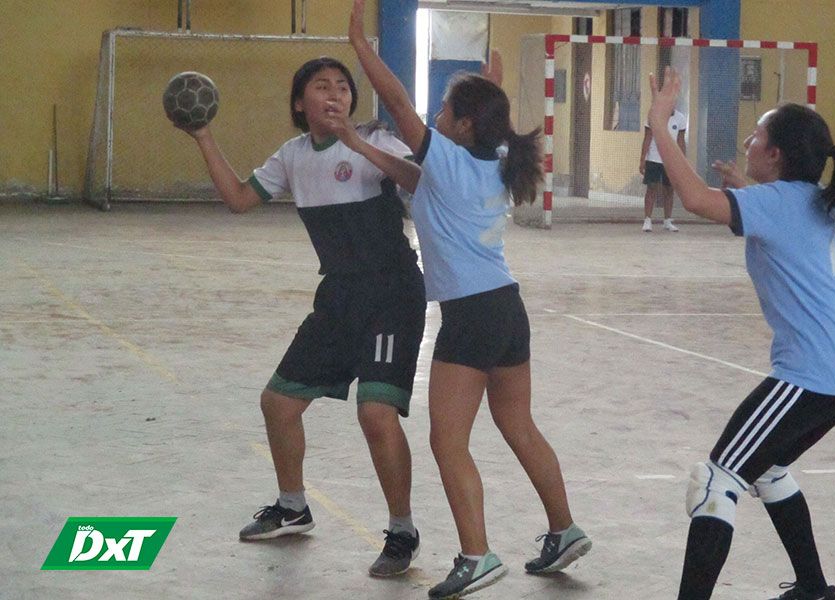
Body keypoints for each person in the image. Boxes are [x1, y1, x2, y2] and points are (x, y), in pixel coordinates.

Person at [331, 1, 592, 598]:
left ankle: (476, 556)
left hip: (471, 317)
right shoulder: (495, 160)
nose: (435, 114)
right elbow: (414, 179)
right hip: (508, 309)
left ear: (465, 125)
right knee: (518, 424)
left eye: (447, 109)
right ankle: (564, 527)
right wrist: (356, 141)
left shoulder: (449, 154)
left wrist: (361, 47)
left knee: (447, 441)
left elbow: (397, 104)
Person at [646, 67, 835, 600]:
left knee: (716, 481)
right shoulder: (815, 200)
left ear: (776, 156)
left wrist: (659, 124)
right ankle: (814, 590)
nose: (749, 140)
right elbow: (785, 223)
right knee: (767, 470)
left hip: (809, 377)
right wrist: (750, 191)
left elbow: (697, 200)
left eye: (758, 135)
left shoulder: (779, 204)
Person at [174, 56, 427, 577]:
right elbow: (240, 199)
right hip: (338, 297)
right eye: (321, 86)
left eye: (342, 86)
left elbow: (420, 183)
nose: (334, 93)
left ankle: (402, 530)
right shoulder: (292, 156)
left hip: (391, 294)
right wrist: (203, 138)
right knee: (278, 403)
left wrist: (360, 145)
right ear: (299, 103)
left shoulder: (378, 140)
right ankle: (293, 507)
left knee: (375, 413)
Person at [639, 102, 687, 232]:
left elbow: (681, 141)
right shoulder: (653, 117)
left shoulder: (681, 119)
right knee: (651, 188)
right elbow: (647, 138)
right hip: (653, 158)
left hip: (671, 160)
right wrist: (642, 159)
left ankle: (667, 221)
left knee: (669, 190)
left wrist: (682, 161)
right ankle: (647, 220)